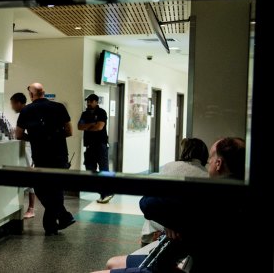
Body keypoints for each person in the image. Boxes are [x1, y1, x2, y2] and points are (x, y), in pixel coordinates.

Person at [92, 137, 248, 273]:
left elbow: (148, 204)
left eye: (211, 161)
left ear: (218, 164)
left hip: (179, 262)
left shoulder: (205, 196)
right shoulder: (240, 197)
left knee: (111, 263)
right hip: (187, 260)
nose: (208, 166)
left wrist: (171, 221)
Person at [16, 83, 75, 235]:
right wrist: (53, 138)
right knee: (56, 189)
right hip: (60, 155)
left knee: (41, 189)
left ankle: (59, 220)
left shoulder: (27, 110)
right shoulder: (59, 107)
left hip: (41, 156)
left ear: (31, 95)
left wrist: (36, 139)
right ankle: (57, 221)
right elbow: (69, 131)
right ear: (44, 93)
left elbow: (18, 134)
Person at [140, 137, 210, 246]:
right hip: (190, 224)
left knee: (149, 221)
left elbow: (149, 203)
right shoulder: (206, 175)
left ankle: (146, 244)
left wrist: (168, 224)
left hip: (171, 218)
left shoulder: (171, 166)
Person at [78, 93, 113, 203]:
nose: (88, 103)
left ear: (96, 102)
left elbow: (99, 127)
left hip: (101, 145)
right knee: (90, 171)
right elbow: (79, 126)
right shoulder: (84, 114)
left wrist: (88, 126)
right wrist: (91, 124)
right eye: (87, 101)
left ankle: (106, 193)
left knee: (104, 170)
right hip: (89, 146)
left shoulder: (101, 112)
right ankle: (106, 191)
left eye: (91, 101)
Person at [10, 92, 35, 219]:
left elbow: (20, 135)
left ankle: (31, 208)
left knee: (30, 178)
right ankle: (30, 208)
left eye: (13, 104)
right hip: (31, 147)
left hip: (30, 148)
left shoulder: (26, 112)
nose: (12, 107)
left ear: (19, 103)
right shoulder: (29, 111)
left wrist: (31, 139)